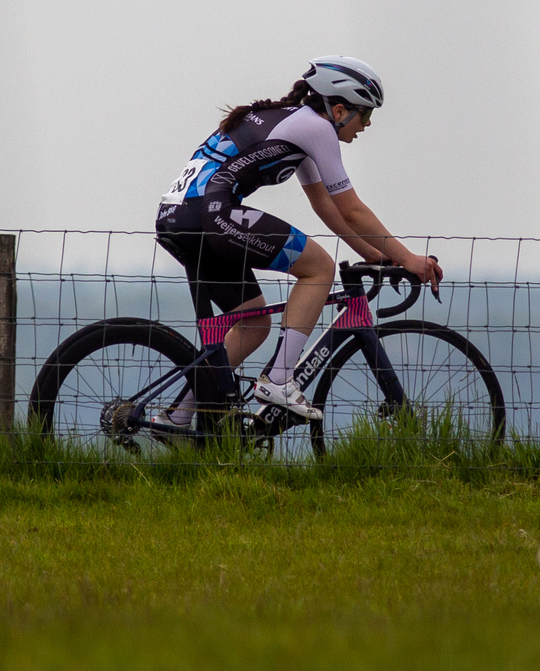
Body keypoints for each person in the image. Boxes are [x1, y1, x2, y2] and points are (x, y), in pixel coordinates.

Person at [154, 56, 444, 427]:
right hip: (209, 216)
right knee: (318, 267)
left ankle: (176, 419)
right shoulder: (315, 129)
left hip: (178, 218)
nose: (367, 126)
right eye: (365, 115)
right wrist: (408, 258)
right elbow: (351, 209)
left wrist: (374, 255)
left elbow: (325, 206)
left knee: (253, 324)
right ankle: (279, 380)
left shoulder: (295, 124)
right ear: (339, 109)